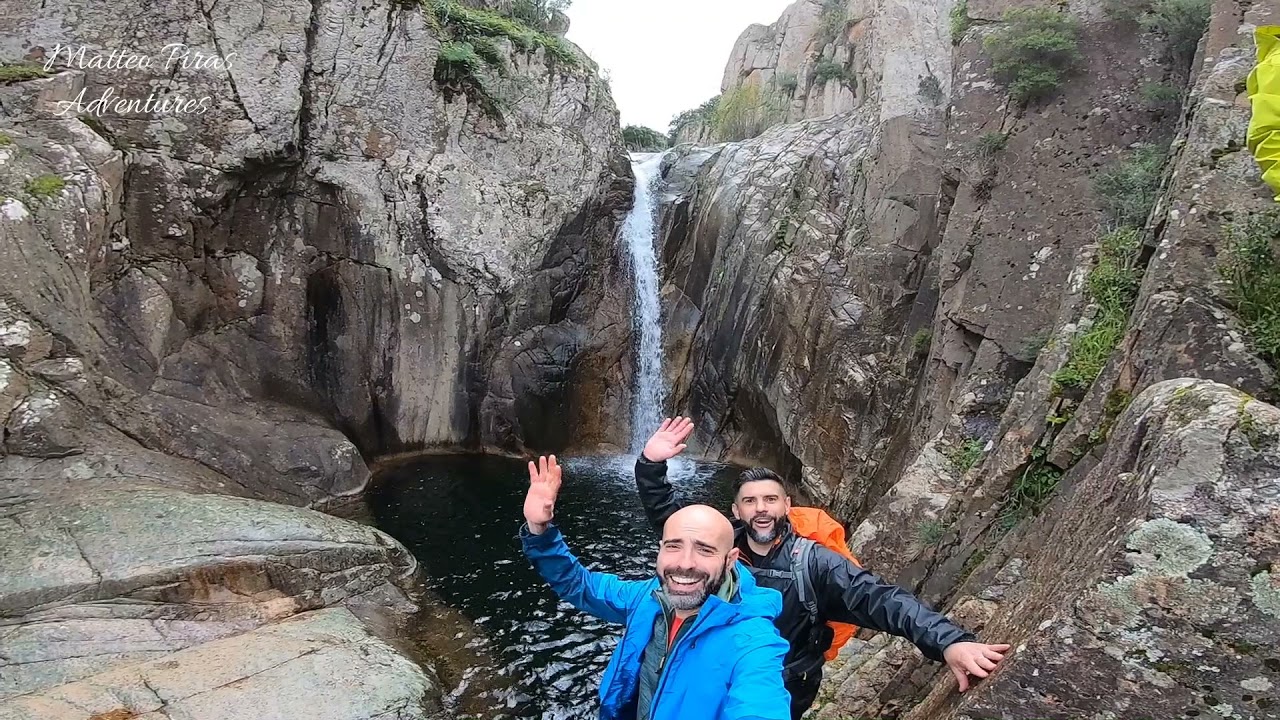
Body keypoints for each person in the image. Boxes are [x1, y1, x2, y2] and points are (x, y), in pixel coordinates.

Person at [634, 418, 1011, 719]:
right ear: (736, 511)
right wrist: (651, 465)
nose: (760, 509)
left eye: (770, 500)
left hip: (781, 688)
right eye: (749, 501)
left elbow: (884, 601)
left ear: (787, 505)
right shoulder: (718, 546)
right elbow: (670, 519)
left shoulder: (813, 563)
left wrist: (949, 641)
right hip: (711, 677)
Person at [519, 454, 794, 720]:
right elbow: (582, 586)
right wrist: (539, 530)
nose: (685, 564)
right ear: (660, 550)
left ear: (730, 560)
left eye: (705, 550)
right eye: (674, 546)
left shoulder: (752, 640)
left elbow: (760, 702)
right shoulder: (648, 597)